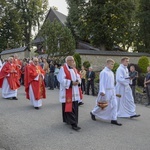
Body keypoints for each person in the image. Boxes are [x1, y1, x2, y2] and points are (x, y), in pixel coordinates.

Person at [90, 59, 122, 126]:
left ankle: (114, 119)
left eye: (113, 64)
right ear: (107, 64)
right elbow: (102, 82)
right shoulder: (104, 72)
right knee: (102, 105)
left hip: (112, 91)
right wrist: (102, 91)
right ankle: (93, 112)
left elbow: (112, 84)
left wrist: (114, 91)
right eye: (111, 64)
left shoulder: (111, 72)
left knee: (114, 105)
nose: (112, 66)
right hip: (106, 91)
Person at [57, 56, 81, 131]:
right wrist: (71, 83)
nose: (72, 62)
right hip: (67, 91)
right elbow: (60, 79)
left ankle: (70, 120)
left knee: (74, 107)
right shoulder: (63, 69)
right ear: (67, 61)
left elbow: (78, 77)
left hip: (74, 91)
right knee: (69, 107)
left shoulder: (74, 69)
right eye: (71, 60)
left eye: (73, 60)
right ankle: (73, 124)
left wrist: (78, 81)